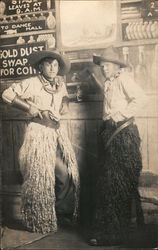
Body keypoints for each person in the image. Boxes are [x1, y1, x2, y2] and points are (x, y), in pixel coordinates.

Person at [2, 50, 80, 234]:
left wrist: (65, 104)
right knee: (41, 177)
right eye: (48, 64)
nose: (53, 68)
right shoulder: (32, 83)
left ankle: (61, 214)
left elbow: (65, 96)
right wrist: (30, 107)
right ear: (40, 66)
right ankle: (39, 218)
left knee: (66, 174)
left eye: (56, 64)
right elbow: (7, 94)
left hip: (57, 133)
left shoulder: (60, 83)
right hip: (39, 135)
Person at [88, 46, 146, 246]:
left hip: (124, 137)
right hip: (109, 134)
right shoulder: (109, 83)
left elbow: (141, 99)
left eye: (107, 65)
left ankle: (118, 233)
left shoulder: (123, 79)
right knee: (108, 183)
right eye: (102, 66)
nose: (104, 69)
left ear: (116, 66)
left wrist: (119, 116)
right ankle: (111, 230)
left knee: (118, 183)